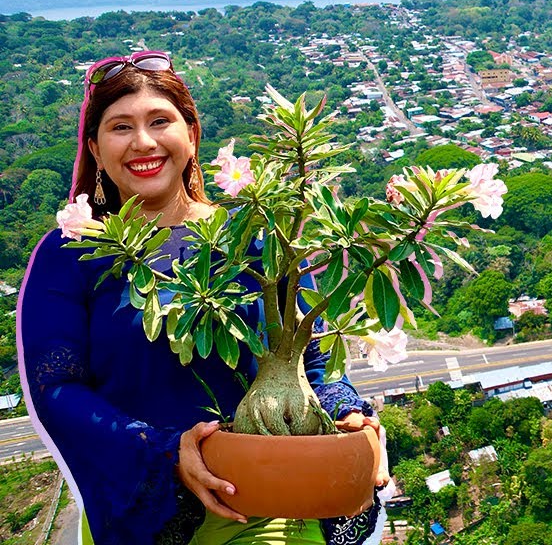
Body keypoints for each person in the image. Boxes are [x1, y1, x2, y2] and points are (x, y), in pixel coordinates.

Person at [17, 52, 386, 545]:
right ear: (96, 150)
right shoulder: (72, 252)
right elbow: (56, 388)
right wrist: (167, 452)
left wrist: (347, 414)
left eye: (160, 121)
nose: (143, 142)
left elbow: (312, 361)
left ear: (191, 135)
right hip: (148, 513)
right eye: (121, 127)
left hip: (276, 503)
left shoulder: (255, 235)